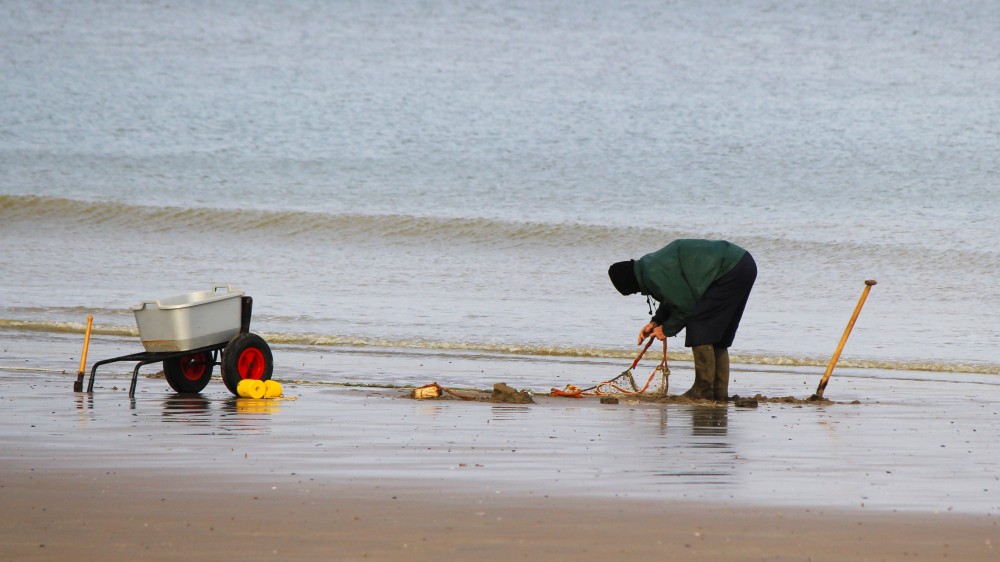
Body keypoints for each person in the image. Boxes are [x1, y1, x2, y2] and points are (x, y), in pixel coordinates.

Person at [608, 239, 756, 401]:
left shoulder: (653, 274)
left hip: (730, 269)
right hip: (743, 264)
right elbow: (673, 297)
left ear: (631, 283)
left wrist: (666, 330)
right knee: (717, 336)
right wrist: (656, 322)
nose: (637, 292)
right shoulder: (650, 267)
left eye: (633, 291)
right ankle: (718, 393)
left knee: (699, 324)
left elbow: (686, 307)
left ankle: (702, 390)